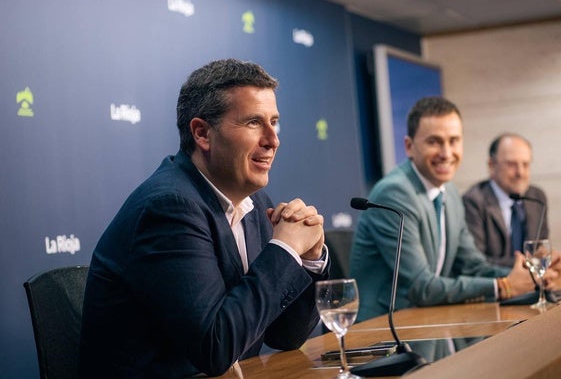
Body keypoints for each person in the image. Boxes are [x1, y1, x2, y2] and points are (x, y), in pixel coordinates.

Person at [79, 59, 329, 378]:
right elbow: (215, 350)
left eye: (274, 122)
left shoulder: (255, 204)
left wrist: (308, 258)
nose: (273, 140)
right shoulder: (169, 208)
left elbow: (285, 336)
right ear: (202, 133)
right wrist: (285, 250)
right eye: (254, 122)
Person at [349, 96, 559, 321]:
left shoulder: (449, 192)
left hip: (425, 322)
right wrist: (504, 286)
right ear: (409, 147)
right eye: (434, 142)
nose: (447, 153)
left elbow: (473, 266)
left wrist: (533, 275)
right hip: (380, 332)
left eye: (454, 140)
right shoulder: (395, 193)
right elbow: (421, 286)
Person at [463, 133, 549, 267]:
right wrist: (528, 264)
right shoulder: (473, 201)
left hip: (532, 283)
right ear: (492, 165)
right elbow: (475, 262)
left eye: (525, 164)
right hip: (495, 284)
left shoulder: (536, 197)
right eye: (511, 164)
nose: (520, 173)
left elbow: (540, 251)